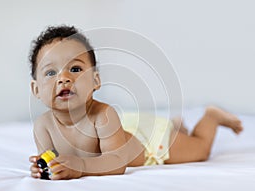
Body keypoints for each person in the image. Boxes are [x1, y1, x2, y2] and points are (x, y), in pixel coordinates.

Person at [28, 25, 243, 180]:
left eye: (75, 69)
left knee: (200, 150)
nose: (64, 78)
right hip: (126, 129)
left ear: (95, 81)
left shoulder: (102, 115)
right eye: (51, 72)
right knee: (177, 134)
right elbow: (50, 159)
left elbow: (118, 161)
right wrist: (43, 168)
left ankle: (211, 117)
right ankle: (178, 126)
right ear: (36, 89)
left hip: (149, 142)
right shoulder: (43, 126)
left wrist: (81, 166)